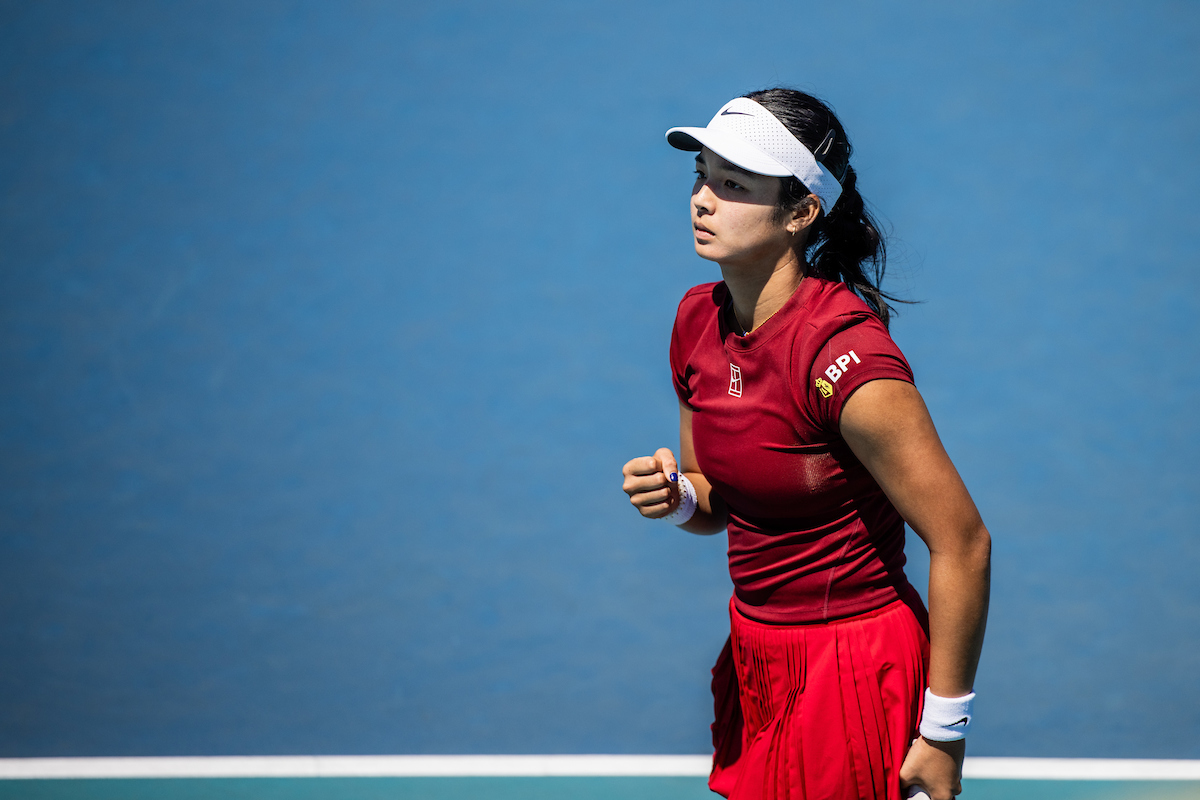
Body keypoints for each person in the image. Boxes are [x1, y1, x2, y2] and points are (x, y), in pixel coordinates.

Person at [620, 88, 991, 800]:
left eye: (733, 185)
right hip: (759, 660)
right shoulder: (697, 320)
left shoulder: (844, 359)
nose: (703, 199)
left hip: (854, 666)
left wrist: (944, 734)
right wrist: (678, 497)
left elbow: (964, 543)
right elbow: (715, 496)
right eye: (701, 175)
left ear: (800, 212)